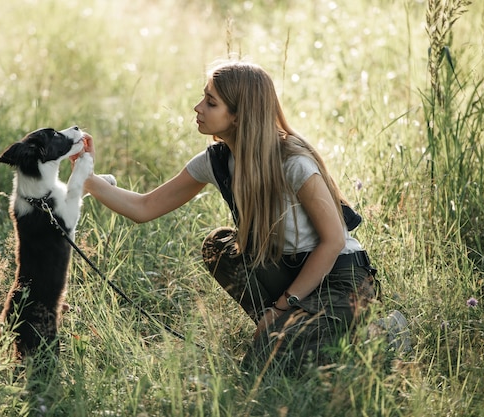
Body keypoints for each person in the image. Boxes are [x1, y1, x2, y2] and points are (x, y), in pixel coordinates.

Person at [81, 61, 384, 375]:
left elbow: (333, 241)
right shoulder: (216, 161)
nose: (198, 107)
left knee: (262, 364)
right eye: (204, 97)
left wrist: (281, 307)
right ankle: (292, 331)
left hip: (341, 281)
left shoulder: (293, 162)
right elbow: (144, 208)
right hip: (289, 272)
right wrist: (86, 178)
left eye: (211, 102)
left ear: (239, 116)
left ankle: (378, 336)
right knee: (219, 247)